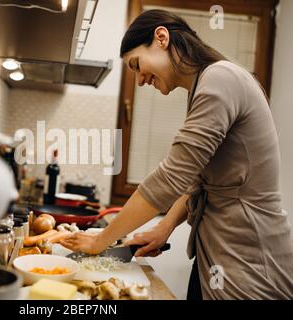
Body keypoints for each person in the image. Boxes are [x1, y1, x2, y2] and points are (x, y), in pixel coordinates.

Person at [60, 9, 293, 300]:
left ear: (161, 38)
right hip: (216, 254)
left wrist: (100, 241)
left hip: (250, 259)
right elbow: (198, 177)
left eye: (136, 64)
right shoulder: (205, 86)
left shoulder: (220, 79)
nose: (140, 80)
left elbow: (172, 177)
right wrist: (165, 226)